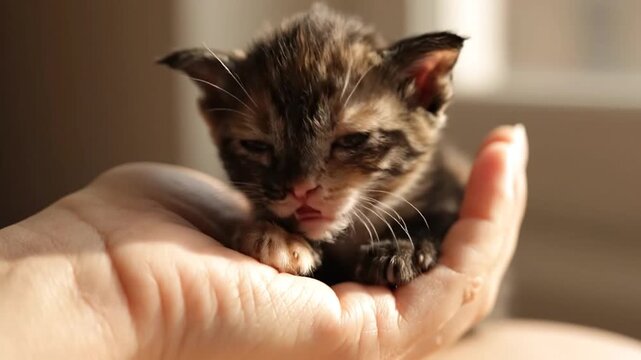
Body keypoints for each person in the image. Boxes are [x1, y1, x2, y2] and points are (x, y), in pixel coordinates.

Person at [0, 125, 527, 359]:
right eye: (259, 145)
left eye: (349, 142)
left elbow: (481, 301)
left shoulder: (435, 192)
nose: (301, 182)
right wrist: (111, 282)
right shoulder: (257, 221)